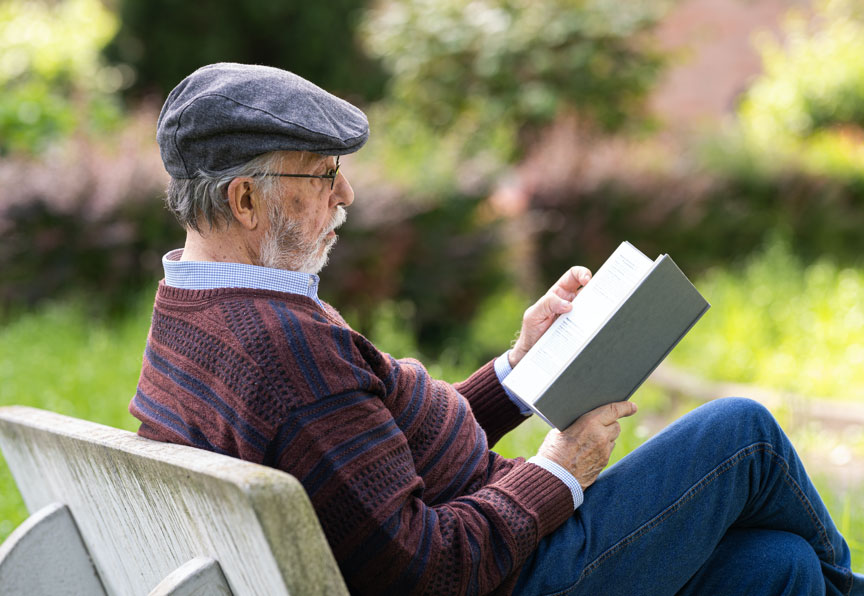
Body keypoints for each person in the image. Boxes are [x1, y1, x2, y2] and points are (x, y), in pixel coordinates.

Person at [132, 62, 863, 596]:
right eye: (323, 174)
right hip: (513, 576)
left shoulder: (196, 313)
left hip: (500, 552)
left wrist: (515, 372)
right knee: (743, 433)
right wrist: (559, 470)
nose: (347, 194)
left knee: (781, 569)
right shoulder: (282, 347)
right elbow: (430, 567)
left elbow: (369, 454)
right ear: (244, 201)